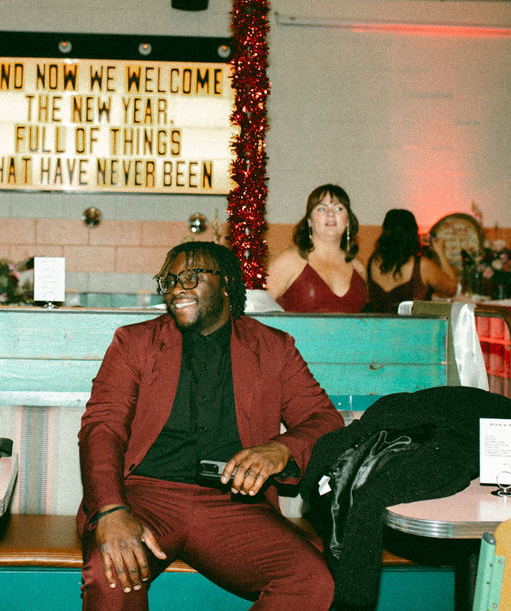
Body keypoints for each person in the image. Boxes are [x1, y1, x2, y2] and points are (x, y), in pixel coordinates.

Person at [78, 241, 342, 610]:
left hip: (233, 505)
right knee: (112, 574)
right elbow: (102, 427)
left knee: (310, 580)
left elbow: (324, 420)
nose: (176, 289)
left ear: (228, 285)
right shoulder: (134, 342)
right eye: (168, 281)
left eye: (190, 276)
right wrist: (110, 510)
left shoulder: (273, 348)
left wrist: (281, 448)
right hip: (145, 498)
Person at [266, 184, 367, 313]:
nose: (330, 214)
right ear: (309, 220)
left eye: (338, 208)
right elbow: (258, 312)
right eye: (321, 209)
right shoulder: (288, 261)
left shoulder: (359, 269)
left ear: (347, 220)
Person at [364, 209, 458, 313]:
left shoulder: (373, 261)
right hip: (413, 328)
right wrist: (440, 252)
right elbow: (451, 289)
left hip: (377, 327)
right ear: (413, 234)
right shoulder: (421, 266)